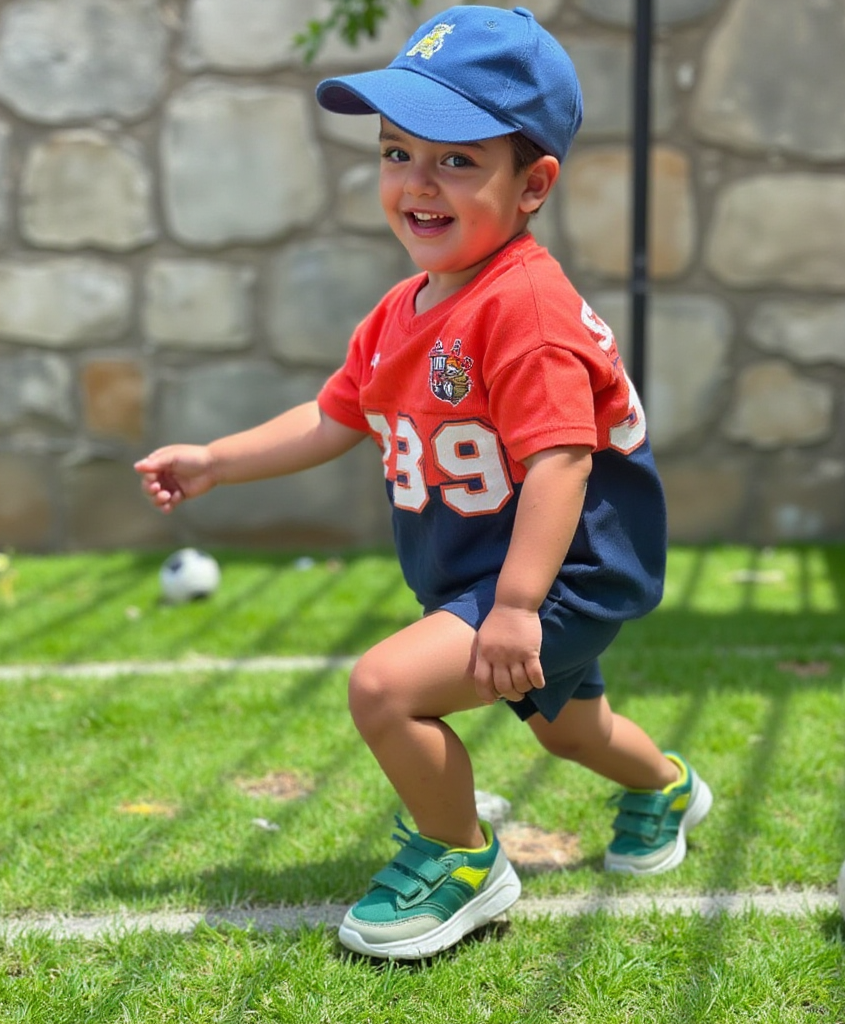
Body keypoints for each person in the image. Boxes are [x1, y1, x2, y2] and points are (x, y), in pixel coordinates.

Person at [135, 4, 712, 961]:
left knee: (386, 690)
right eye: (397, 151)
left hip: (558, 570)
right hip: (487, 571)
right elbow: (336, 415)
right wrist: (215, 462)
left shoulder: (522, 307)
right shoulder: (405, 307)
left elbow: (563, 459)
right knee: (572, 729)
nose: (417, 182)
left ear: (533, 186)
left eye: (456, 160)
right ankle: (665, 788)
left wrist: (519, 606)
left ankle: (462, 861)